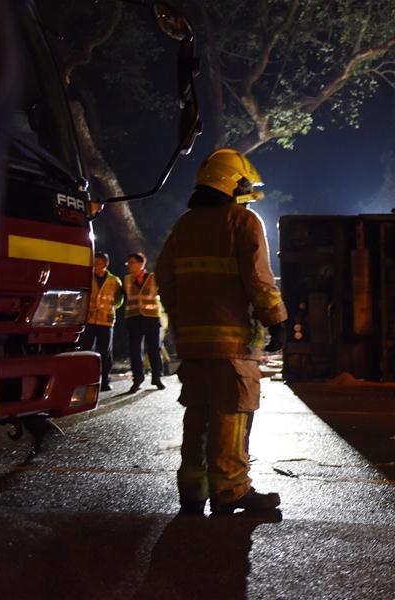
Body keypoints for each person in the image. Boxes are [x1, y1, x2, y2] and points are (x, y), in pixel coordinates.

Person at [156, 147, 287, 516]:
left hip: (194, 344)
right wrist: (276, 319)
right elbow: (259, 279)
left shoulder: (183, 226)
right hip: (232, 342)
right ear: (231, 183)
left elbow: (165, 277)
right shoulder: (242, 222)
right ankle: (231, 490)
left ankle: (193, 490)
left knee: (197, 413)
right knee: (232, 412)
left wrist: (183, 321)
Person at [79, 252, 124, 391]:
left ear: (106, 264)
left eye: (99, 263)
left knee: (106, 353)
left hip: (106, 321)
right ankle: (86, 380)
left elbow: (119, 301)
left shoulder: (115, 281)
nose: (96, 266)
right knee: (87, 351)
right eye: (94, 263)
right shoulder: (86, 278)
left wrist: (108, 307)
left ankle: (105, 381)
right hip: (89, 320)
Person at [124, 252, 164, 392]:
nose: (129, 266)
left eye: (132, 263)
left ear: (141, 264)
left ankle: (157, 378)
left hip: (151, 318)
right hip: (134, 318)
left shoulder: (153, 278)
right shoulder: (127, 280)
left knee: (154, 349)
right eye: (128, 263)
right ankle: (138, 379)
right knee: (135, 351)